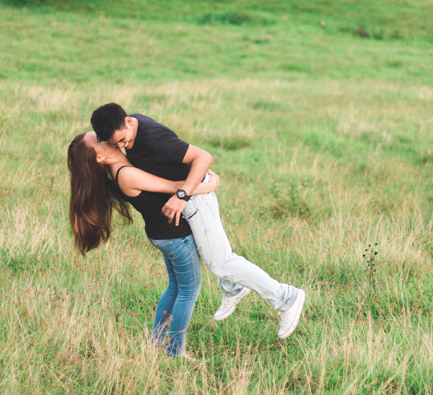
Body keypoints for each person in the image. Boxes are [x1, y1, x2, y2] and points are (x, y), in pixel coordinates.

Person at [90, 103, 306, 339]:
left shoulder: (154, 139)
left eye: (123, 140)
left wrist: (184, 195)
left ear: (129, 121)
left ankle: (287, 298)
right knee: (214, 253)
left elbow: (204, 156)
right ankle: (233, 287)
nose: (123, 147)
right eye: (116, 144)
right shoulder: (126, 132)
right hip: (188, 196)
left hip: (194, 198)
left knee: (221, 262)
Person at [67, 130, 221, 359]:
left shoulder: (125, 164)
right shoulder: (125, 174)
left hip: (165, 235)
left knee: (175, 288)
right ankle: (175, 351)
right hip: (175, 237)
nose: (104, 137)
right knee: (188, 291)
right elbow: (175, 187)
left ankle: (157, 342)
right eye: (98, 140)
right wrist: (209, 185)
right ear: (99, 158)